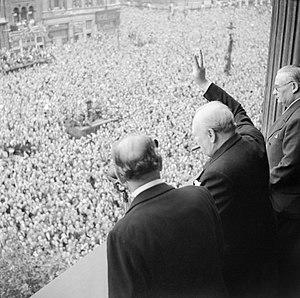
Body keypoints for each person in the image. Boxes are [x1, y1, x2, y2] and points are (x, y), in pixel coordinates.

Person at [191, 53, 276, 297]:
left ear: (211, 135)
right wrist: (203, 84)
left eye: (197, 137)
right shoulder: (252, 136)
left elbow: (204, 222)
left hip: (240, 261)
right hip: (266, 238)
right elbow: (236, 109)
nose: (197, 143)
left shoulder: (217, 173)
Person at [107, 134, 228, 298]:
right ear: (161, 163)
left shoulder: (123, 234)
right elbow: (222, 254)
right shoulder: (200, 195)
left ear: (121, 177)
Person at [267, 65, 300, 298]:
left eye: (278, 88)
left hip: (287, 206)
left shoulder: (298, 117)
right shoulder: (291, 111)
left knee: (286, 264)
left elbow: (290, 165)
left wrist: (261, 182)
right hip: (283, 203)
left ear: (294, 87)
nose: (274, 93)